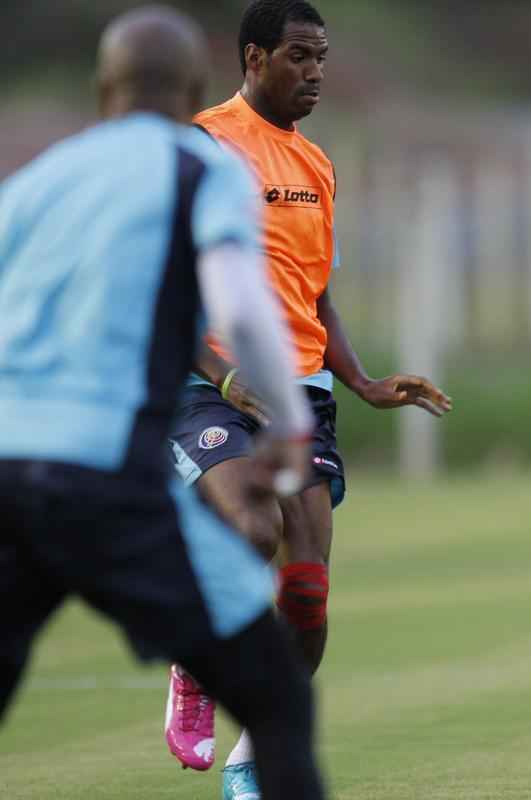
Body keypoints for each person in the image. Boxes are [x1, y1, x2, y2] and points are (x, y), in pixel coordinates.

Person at [0, 6, 326, 800]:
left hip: (8, 471)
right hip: (107, 479)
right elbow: (242, 309)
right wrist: (285, 419)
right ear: (190, 92)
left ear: (101, 87)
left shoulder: (34, 184)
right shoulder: (198, 162)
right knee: (276, 702)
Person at [159, 1, 453, 796]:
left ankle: (252, 757)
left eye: (321, 55)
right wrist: (224, 376)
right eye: (298, 55)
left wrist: (361, 380)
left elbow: (315, 292)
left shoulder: (317, 164)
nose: (315, 71)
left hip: (302, 392)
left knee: (307, 593)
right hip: (208, 382)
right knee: (249, 530)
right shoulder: (203, 141)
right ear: (254, 58)